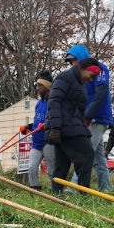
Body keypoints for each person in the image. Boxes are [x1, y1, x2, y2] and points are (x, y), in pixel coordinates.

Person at [45, 57, 100, 193]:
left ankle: (56, 194)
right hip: (64, 126)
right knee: (87, 155)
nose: (91, 80)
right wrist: (56, 128)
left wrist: (85, 131)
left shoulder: (78, 83)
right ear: (84, 69)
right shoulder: (65, 77)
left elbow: (77, 111)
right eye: (91, 76)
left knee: (62, 164)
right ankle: (84, 194)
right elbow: (54, 101)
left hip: (70, 125)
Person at [65, 45, 113, 192]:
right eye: (70, 62)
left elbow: (101, 93)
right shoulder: (78, 74)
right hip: (88, 118)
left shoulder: (100, 68)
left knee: (83, 152)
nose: (72, 64)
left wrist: (87, 116)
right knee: (98, 160)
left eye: (73, 60)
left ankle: (73, 190)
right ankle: (106, 191)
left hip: (98, 118)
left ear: (80, 57)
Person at [24, 70, 54, 191]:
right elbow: (37, 121)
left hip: (48, 141)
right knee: (31, 167)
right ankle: (35, 190)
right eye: (37, 85)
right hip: (36, 143)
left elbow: (54, 120)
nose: (37, 88)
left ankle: (56, 191)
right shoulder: (38, 103)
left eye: (40, 85)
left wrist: (46, 126)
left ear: (47, 87)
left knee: (51, 169)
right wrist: (28, 127)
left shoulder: (53, 102)